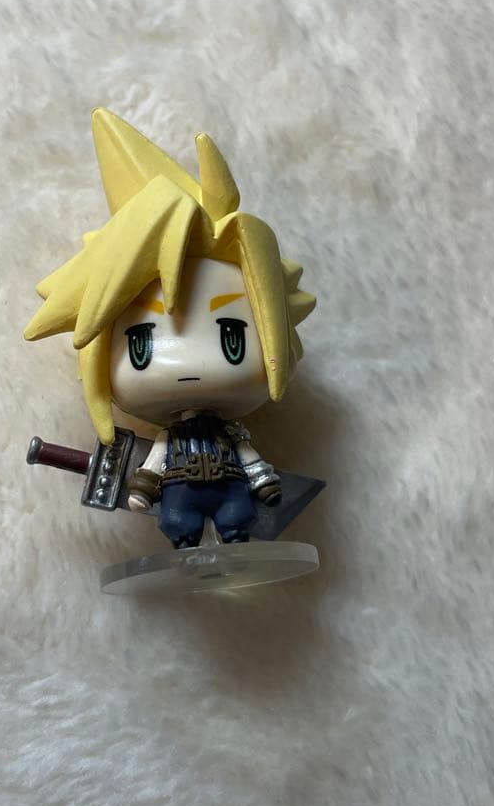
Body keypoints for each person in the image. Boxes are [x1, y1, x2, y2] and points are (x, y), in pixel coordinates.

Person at [24, 108, 315, 548]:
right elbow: (153, 464)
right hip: (180, 495)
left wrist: (261, 478)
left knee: (237, 516)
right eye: (141, 343)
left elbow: (249, 458)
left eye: (231, 337)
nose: (188, 363)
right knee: (179, 522)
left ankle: (235, 539)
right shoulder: (170, 439)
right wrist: (143, 488)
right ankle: (187, 544)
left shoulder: (230, 436)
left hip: (230, 490)